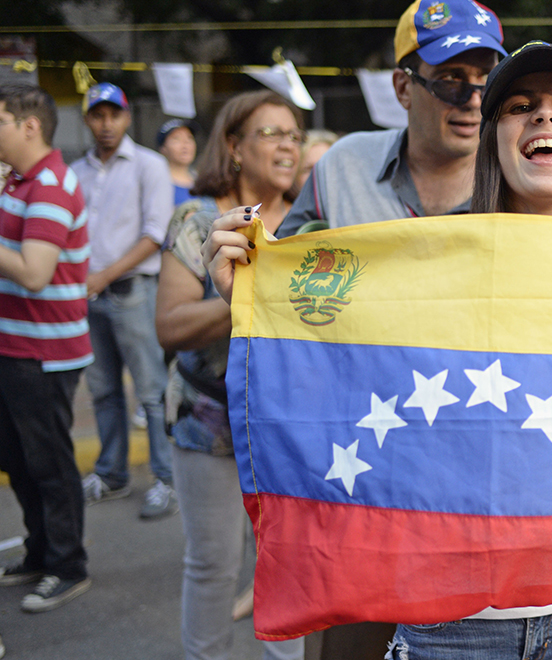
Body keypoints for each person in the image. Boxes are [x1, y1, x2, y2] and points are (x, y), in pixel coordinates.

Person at [204, 40, 552, 660]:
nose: (545, 117)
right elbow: (335, 385)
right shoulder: (421, 261)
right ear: (493, 140)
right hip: (448, 622)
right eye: (519, 106)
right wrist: (256, 296)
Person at [155, 90, 305, 660]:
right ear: (235, 147)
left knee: (288, 565)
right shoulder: (196, 219)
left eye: (293, 133)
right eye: (271, 133)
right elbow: (169, 326)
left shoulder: (315, 221)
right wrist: (245, 299)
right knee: (214, 565)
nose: (287, 144)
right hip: (209, 417)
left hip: (291, 425)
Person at [274, 0, 508, 238]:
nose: (474, 101)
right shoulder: (342, 167)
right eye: (450, 81)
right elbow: (275, 266)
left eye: (488, 81)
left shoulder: (521, 178)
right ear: (403, 88)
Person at [0, 84, 94, 612]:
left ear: (28, 126)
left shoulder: (53, 184)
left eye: (0, 121)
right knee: (17, 459)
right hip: (15, 347)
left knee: (49, 463)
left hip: (44, 353)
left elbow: (35, 272)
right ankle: (38, 553)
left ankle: (67, 564)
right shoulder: (18, 181)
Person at [70, 82, 177, 519]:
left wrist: (100, 276)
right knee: (104, 391)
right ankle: (112, 474)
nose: (106, 123)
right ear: (88, 120)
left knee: (151, 392)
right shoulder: (76, 172)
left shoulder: (149, 166)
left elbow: (155, 234)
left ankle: (166, 479)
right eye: (98, 115)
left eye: (114, 114)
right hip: (87, 297)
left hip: (132, 291)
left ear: (128, 118)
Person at [158, 118, 200, 207]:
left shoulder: (203, 182)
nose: (185, 144)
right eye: (176, 139)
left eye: (189, 138)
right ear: (163, 148)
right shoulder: (159, 184)